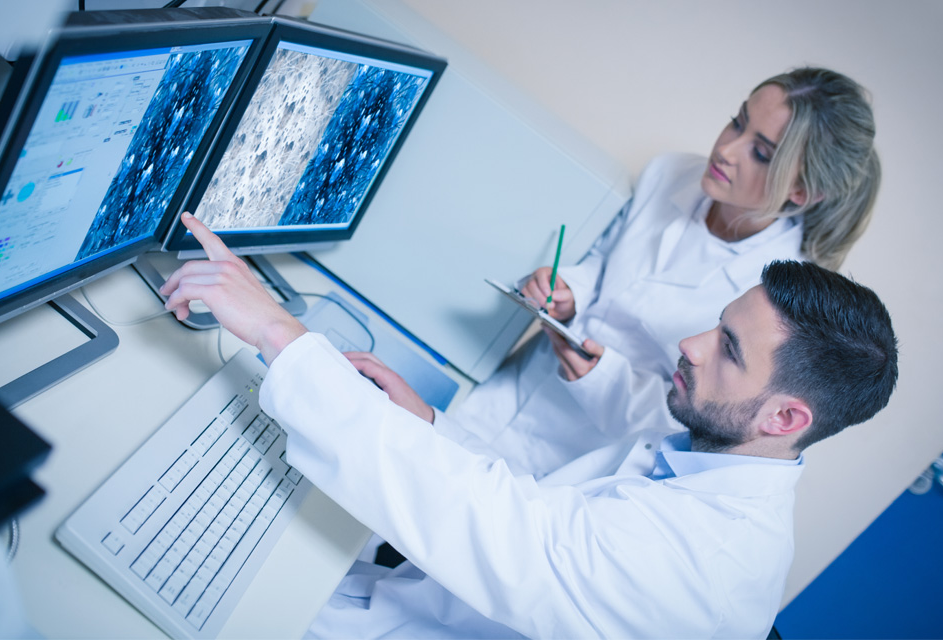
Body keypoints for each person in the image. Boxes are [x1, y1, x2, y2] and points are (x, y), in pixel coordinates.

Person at [160, 212, 898, 638]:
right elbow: (541, 510)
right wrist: (426, 423)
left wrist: (279, 331)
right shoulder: (708, 459)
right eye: (716, 326)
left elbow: (501, 529)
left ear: (787, 417)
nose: (690, 345)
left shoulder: (705, 567)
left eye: (728, 350)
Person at [440, 67, 883, 478]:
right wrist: (570, 289)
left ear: (802, 190)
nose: (726, 150)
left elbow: (704, 419)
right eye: (736, 121)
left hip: (582, 453)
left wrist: (604, 382)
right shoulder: (672, 172)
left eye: (761, 153)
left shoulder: (774, 301)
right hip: (509, 393)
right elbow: (605, 254)